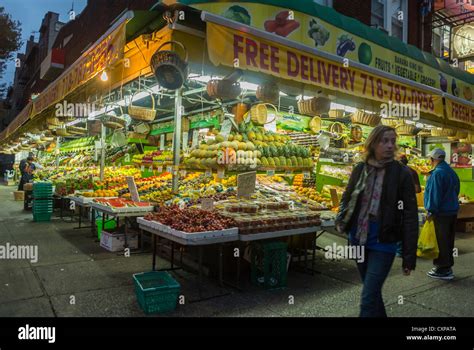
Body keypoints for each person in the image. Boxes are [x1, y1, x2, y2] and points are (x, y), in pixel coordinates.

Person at [335, 125, 418, 317]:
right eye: (384, 141)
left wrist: (409, 255)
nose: (390, 145)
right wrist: (341, 218)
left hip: (384, 240)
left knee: (367, 298)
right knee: (372, 293)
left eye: (392, 141)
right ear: (373, 143)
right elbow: (347, 197)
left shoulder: (402, 174)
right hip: (358, 237)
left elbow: (410, 216)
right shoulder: (360, 168)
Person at [424, 148, 460, 281]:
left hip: (441, 213)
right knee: (448, 240)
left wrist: (431, 211)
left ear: (434, 159)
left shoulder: (438, 173)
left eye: (430, 159)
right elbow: (456, 190)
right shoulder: (451, 172)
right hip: (451, 211)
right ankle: (447, 266)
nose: (430, 161)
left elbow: (435, 195)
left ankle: (443, 269)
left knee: (441, 241)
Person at [396, 154, 422, 257]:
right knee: (409, 226)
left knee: (398, 225)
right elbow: (418, 189)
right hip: (410, 203)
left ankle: (399, 250)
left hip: (398, 203)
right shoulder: (413, 172)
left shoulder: (395, 172)